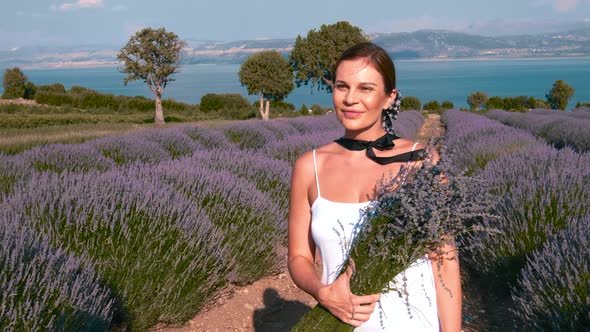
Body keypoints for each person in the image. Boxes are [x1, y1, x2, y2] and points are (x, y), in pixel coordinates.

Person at [287, 42, 461, 331]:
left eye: (365, 88)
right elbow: (299, 257)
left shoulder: (421, 161)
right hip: (341, 323)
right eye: (342, 87)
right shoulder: (310, 166)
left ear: (389, 97)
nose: (350, 99)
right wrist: (321, 292)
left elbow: (444, 260)